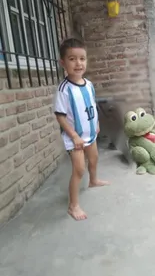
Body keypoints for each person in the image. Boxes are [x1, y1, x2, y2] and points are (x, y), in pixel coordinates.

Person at [54, 37, 110, 221]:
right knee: (79, 169)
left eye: (82, 58)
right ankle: (73, 205)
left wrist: (97, 124)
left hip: (90, 133)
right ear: (63, 63)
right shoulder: (64, 89)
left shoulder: (89, 84)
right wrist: (74, 136)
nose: (78, 63)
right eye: (72, 59)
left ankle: (93, 181)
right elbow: (60, 116)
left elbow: (91, 105)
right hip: (75, 137)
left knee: (93, 159)